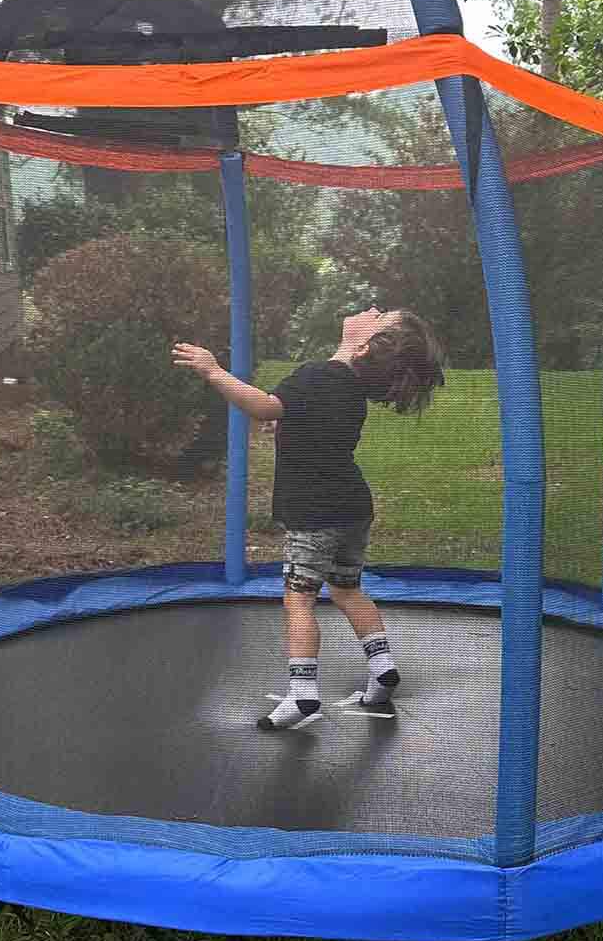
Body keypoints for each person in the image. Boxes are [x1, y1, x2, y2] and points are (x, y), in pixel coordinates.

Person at [172, 306, 445, 729]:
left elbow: (264, 408)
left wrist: (213, 371)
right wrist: (289, 426)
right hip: (353, 508)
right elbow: (307, 423)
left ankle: (302, 695)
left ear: (365, 344)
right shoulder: (352, 388)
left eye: (378, 317)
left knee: (298, 600)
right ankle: (383, 668)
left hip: (315, 512)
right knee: (347, 589)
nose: (370, 310)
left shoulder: (316, 374)